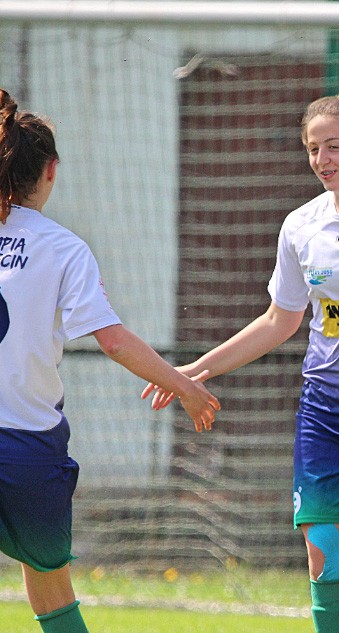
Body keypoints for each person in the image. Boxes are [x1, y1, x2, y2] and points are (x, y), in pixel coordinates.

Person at [143, 90, 339, 633]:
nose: (321, 159)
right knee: (327, 557)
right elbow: (278, 322)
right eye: (312, 149)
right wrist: (192, 372)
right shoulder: (301, 226)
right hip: (324, 414)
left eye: (334, 147)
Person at [0, 89, 220, 633]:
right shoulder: (62, 247)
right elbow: (114, 341)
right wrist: (185, 386)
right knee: (49, 585)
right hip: (25, 445)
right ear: (50, 170)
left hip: (23, 443)